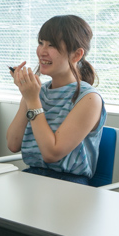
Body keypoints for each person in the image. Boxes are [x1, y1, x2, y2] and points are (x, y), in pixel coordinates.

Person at [6, 15, 106, 184]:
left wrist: (32, 100)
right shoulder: (37, 92)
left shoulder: (89, 99)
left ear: (76, 55)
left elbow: (51, 154)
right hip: (31, 177)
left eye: (52, 45)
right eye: (41, 43)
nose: (42, 51)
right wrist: (26, 95)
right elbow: (13, 144)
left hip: (69, 185)